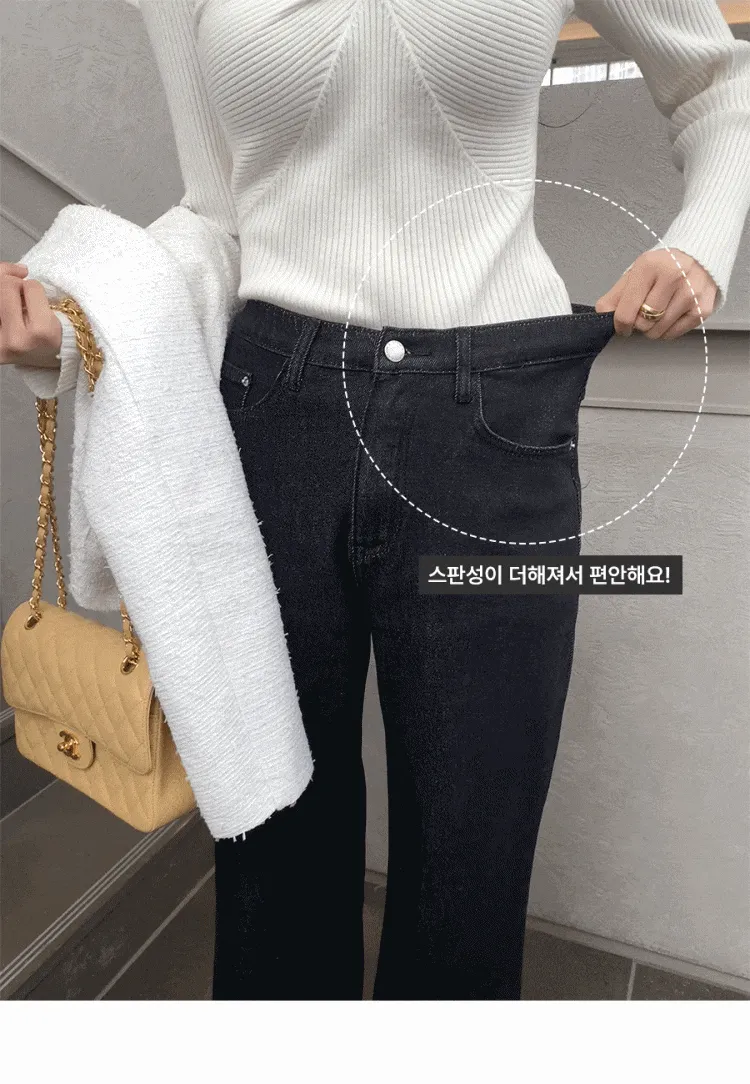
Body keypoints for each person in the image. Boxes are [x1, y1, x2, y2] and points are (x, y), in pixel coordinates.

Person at [2, 0, 748, 1000]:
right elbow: (216, 214)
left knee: (474, 843)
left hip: (491, 429)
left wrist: (700, 243)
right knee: (271, 831)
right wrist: (84, 326)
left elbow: (719, 82)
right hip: (275, 408)